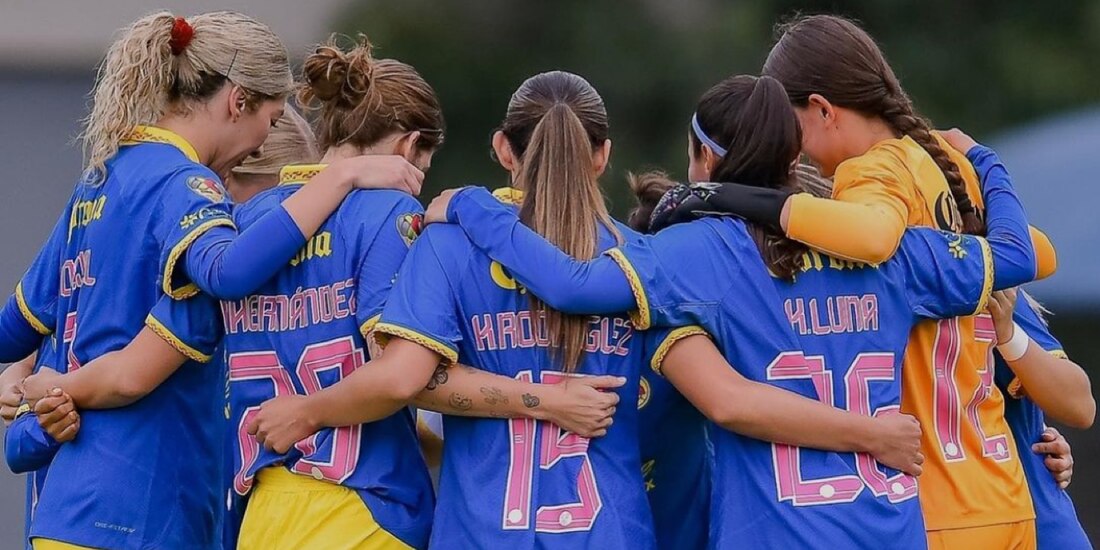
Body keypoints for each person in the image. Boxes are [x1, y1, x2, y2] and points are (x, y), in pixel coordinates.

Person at [246, 71, 929, 549]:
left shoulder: (445, 244)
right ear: (602, 155)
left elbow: (412, 380)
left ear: (502, 150)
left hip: (479, 532)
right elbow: (713, 405)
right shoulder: (642, 263)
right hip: (615, 528)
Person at [424, 73, 1039, 548]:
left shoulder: (697, 253)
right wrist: (984, 162)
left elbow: (575, 285)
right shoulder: (894, 247)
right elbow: (1016, 255)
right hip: (891, 525)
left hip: (776, 532)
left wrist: (474, 209)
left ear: (707, 161)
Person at [0, 12, 417, 549]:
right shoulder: (184, 181)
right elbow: (227, 270)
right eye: (269, 121)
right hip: (141, 513)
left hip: (63, 508)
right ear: (236, 101)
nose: (260, 145)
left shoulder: (99, 179)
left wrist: (23, 379)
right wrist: (338, 176)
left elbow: (15, 328)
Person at [649, 15, 1058, 547]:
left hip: (929, 494)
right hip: (996, 487)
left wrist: (722, 196)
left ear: (822, 109)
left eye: (792, 128)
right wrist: (984, 163)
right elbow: (1036, 254)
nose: (791, 153)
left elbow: (872, 236)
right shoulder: (939, 164)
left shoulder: (871, 174)